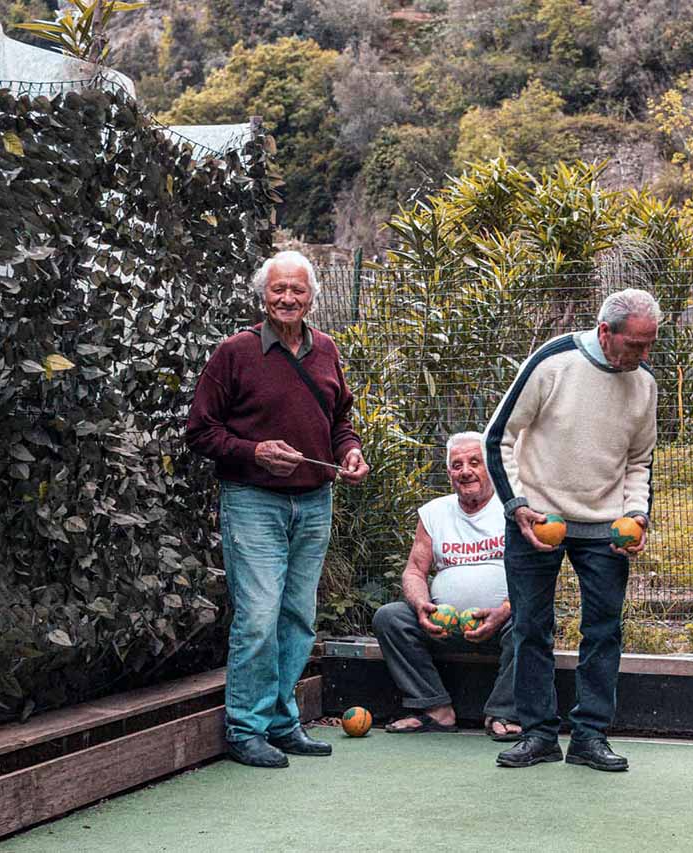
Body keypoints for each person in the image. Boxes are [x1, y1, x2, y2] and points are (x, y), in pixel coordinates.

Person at [186, 249, 370, 769]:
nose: (287, 298)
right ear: (262, 295)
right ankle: (246, 729)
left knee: (298, 616)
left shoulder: (326, 350)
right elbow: (200, 432)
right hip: (253, 501)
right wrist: (254, 452)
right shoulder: (235, 353)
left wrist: (349, 452)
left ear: (313, 297)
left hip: (314, 500)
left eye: (298, 290)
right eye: (278, 289)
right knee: (259, 618)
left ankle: (283, 723)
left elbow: (339, 421)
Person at [484, 289, 659, 772]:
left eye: (650, 345)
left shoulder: (644, 382)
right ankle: (538, 734)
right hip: (538, 521)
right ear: (606, 332)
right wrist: (517, 506)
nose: (645, 356)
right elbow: (497, 437)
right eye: (636, 345)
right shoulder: (553, 362)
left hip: (605, 526)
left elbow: (640, 460)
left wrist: (638, 513)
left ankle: (589, 737)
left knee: (604, 631)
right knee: (530, 628)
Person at [371, 432, 521, 741]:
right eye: (457, 465)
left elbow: (533, 576)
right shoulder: (434, 513)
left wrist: (504, 610)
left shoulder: (513, 509)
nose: (465, 470)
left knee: (533, 618)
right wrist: (422, 607)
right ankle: (435, 709)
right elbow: (414, 570)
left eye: (474, 462)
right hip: (443, 627)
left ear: (490, 466)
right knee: (390, 617)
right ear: (449, 473)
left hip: (503, 623)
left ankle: (503, 713)